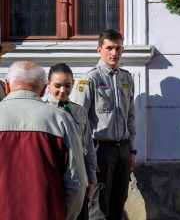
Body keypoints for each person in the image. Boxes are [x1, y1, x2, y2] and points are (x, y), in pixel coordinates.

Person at [0, 61, 87, 220]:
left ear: (6, 86)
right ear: (43, 89)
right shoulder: (60, 119)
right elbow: (76, 182)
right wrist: (64, 215)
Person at [72, 29, 136, 220]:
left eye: (118, 48)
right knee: (99, 205)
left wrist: (132, 151)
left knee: (119, 201)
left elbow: (130, 117)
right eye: (109, 48)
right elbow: (78, 120)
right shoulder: (89, 79)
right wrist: (86, 156)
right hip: (100, 151)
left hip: (122, 150)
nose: (114, 53)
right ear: (99, 49)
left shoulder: (127, 78)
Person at [46, 63, 97, 220]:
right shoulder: (43, 111)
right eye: (57, 85)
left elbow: (88, 146)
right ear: (48, 85)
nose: (63, 91)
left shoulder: (79, 111)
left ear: (73, 83)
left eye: (67, 85)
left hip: (78, 179)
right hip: (56, 178)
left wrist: (92, 179)